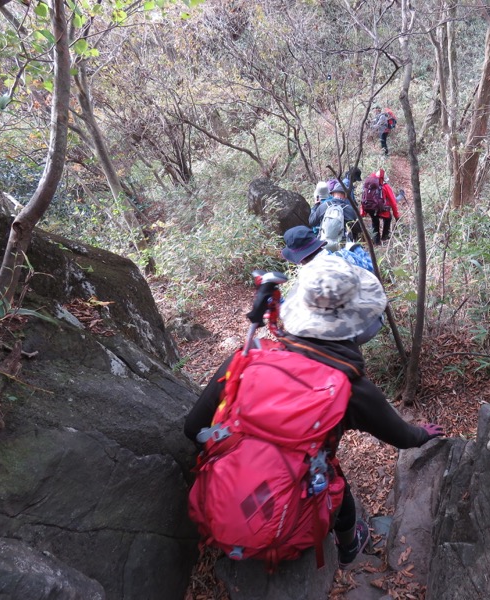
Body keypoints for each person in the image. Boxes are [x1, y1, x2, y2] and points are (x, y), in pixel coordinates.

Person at [184, 255, 445, 568]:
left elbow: (193, 427)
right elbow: (401, 437)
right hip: (292, 504)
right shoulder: (352, 389)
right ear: (357, 323)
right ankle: (350, 546)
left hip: (218, 502)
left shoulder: (247, 359)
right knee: (339, 491)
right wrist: (422, 435)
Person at [282, 225, 373, 274]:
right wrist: (355, 248)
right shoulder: (344, 256)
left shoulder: (309, 282)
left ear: (301, 260)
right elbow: (372, 270)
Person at [361, 169, 400, 244]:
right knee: (388, 219)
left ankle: (376, 242)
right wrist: (396, 216)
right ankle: (384, 238)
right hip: (383, 210)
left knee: (375, 223)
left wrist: (362, 213)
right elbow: (393, 202)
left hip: (371, 209)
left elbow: (363, 198)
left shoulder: (368, 185)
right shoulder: (385, 186)